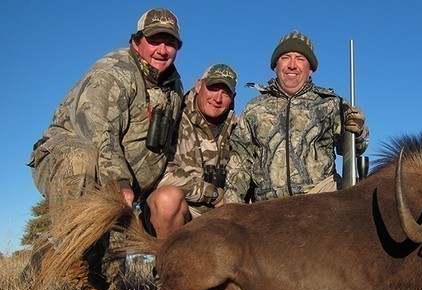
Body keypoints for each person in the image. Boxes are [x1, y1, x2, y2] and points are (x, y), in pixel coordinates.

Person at [27, 8, 184, 290]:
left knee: (113, 285)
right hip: (74, 161)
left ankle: (43, 260)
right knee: (80, 158)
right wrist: (121, 183)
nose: (162, 50)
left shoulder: (174, 86)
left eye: (170, 42)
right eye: (155, 40)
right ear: (137, 41)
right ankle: (66, 273)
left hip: (119, 186)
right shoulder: (112, 72)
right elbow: (99, 133)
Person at [224, 30, 369, 203]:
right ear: (275, 66)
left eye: (300, 59)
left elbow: (355, 148)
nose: (292, 65)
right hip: (268, 205)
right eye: (286, 57)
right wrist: (232, 205)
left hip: (321, 198)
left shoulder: (332, 104)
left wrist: (359, 131)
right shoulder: (255, 107)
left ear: (311, 69)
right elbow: (240, 158)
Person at [142, 64, 238, 239]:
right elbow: (158, 171)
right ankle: (167, 262)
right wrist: (212, 194)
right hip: (188, 211)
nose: (218, 98)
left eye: (225, 93)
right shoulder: (173, 116)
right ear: (199, 85)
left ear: (233, 97)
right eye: (213, 88)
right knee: (166, 200)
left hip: (224, 213)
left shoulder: (239, 127)